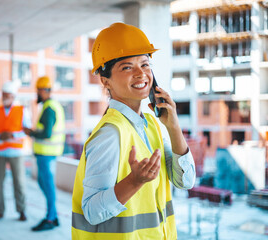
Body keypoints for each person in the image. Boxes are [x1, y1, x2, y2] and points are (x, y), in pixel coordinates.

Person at [71, 22, 196, 239]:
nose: (141, 74)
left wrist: (174, 127)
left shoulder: (152, 123)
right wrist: (134, 181)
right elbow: (91, 211)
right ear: (105, 80)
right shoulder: (110, 135)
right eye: (127, 67)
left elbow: (185, 181)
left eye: (145, 65)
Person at [23, 76, 65, 231]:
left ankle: (50, 218)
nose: (37, 94)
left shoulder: (49, 108)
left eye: (39, 91)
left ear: (44, 90)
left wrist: (31, 132)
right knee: (44, 183)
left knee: (47, 185)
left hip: (47, 154)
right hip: (47, 154)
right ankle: (53, 216)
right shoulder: (51, 106)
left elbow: (46, 133)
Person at [0, 81, 29, 222]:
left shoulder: (22, 110)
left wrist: (13, 135)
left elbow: (27, 130)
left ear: (13, 96)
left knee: (19, 182)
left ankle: (22, 210)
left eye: (8, 95)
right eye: (3, 95)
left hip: (15, 152)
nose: (5, 97)